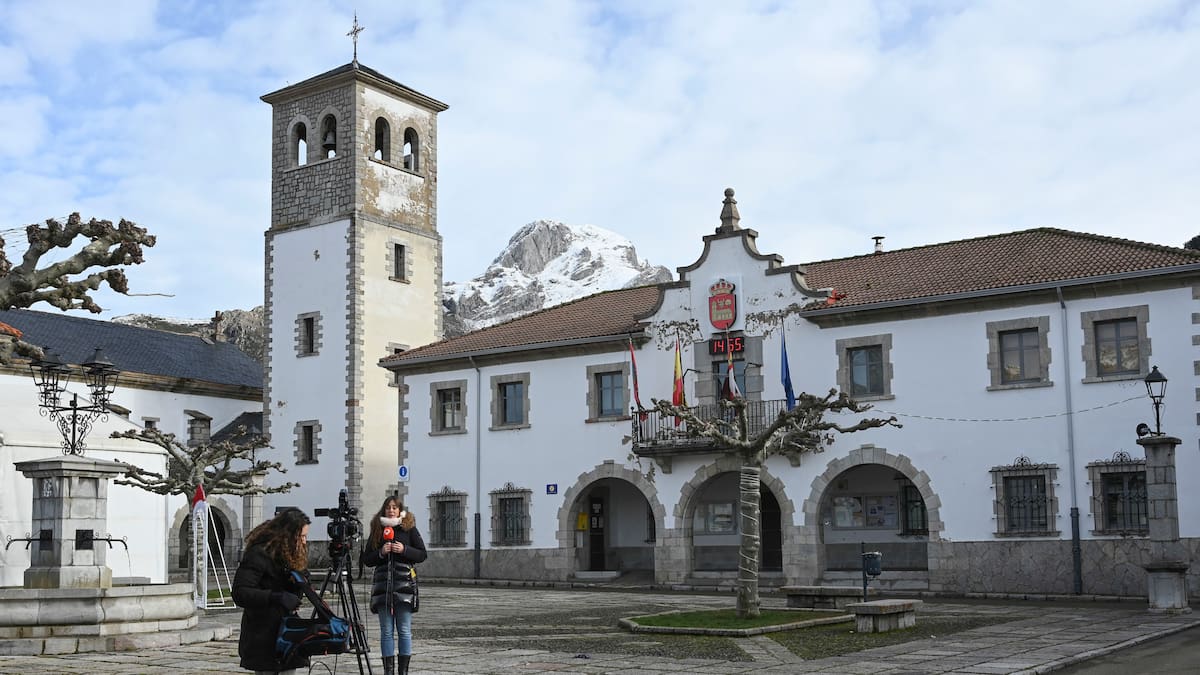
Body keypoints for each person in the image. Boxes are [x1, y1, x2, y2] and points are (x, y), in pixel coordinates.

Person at [232, 507, 311, 674]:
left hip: (286, 632)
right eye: (301, 536)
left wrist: (299, 581)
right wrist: (276, 597)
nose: (304, 541)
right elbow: (241, 592)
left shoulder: (292, 554)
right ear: (287, 535)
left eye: (305, 536)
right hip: (262, 634)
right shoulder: (259, 554)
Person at [361, 496, 427, 675]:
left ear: (400, 510)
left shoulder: (408, 528)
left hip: (404, 586)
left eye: (394, 508)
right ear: (384, 510)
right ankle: (388, 671)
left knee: (404, 630)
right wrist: (381, 553)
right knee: (386, 631)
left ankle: (403, 671)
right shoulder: (378, 529)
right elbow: (366, 559)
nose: (391, 510)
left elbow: (422, 554)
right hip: (383, 587)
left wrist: (404, 550)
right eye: (388, 507)